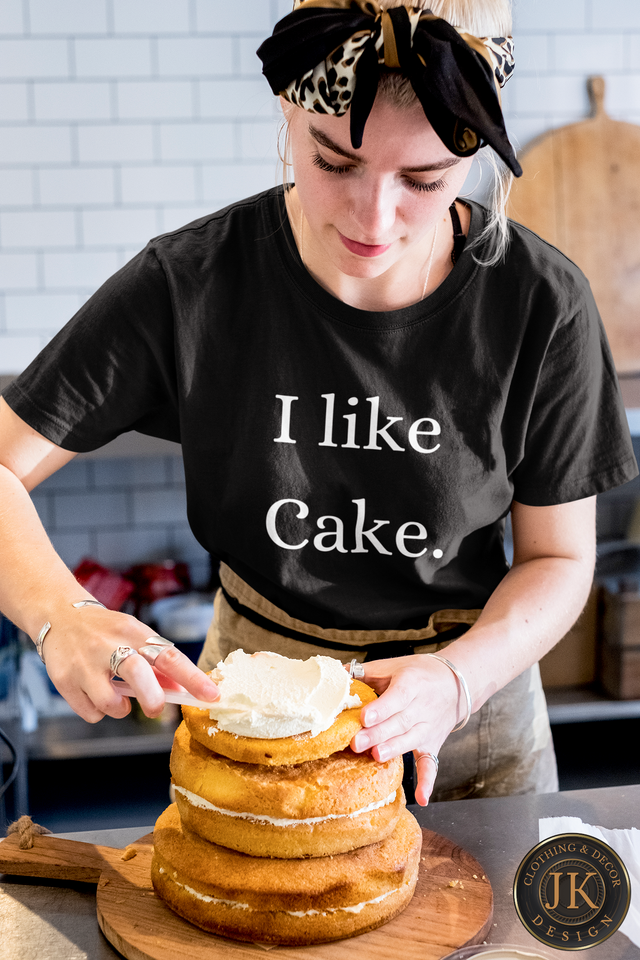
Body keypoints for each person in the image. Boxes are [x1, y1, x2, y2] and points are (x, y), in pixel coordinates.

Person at [0, 0, 636, 807]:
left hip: (465, 708)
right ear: (288, 108)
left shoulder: (541, 304)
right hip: (251, 712)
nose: (374, 220)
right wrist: (62, 614)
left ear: (477, 150)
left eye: (424, 179)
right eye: (334, 162)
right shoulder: (192, 284)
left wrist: (454, 680)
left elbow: (559, 560)